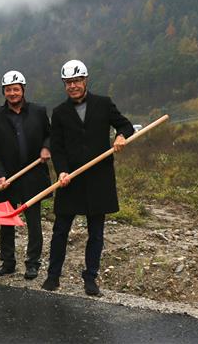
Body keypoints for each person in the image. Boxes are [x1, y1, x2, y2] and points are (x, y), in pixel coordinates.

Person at [42, 59, 134, 296]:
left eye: (76, 81)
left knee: (96, 231)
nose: (72, 86)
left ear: (85, 81)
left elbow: (125, 126)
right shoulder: (60, 112)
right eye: (68, 82)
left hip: (98, 178)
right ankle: (53, 276)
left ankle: (90, 277)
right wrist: (61, 170)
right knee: (60, 229)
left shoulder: (103, 104)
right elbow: (58, 146)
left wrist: (121, 136)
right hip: (70, 179)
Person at [0, 70, 52, 280]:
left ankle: (32, 263)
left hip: (33, 175)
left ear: (23, 90)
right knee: (6, 222)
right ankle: (8, 262)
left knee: (34, 222)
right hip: (8, 178)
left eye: (16, 89)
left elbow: (50, 135)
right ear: (4, 92)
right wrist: (0, 174)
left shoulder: (39, 112)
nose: (12, 93)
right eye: (8, 90)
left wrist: (46, 148)